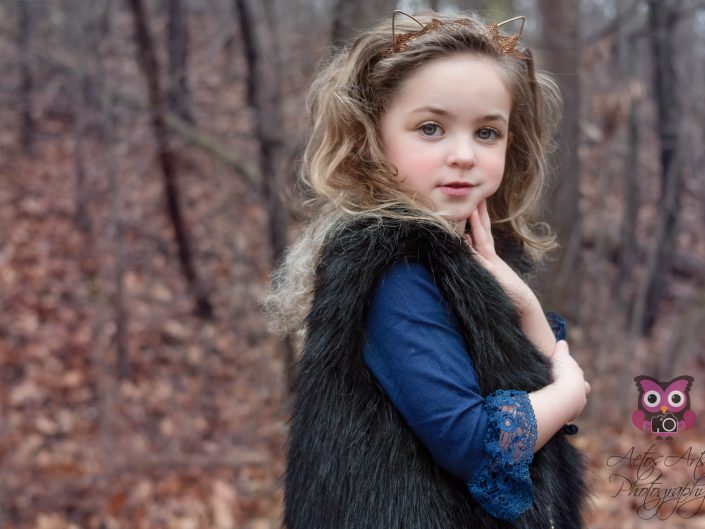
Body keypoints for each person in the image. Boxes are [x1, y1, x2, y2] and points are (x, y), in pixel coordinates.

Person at [265, 10, 590, 529]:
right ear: (373, 136)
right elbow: (475, 445)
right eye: (431, 128)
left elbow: (529, 380)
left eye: (487, 133)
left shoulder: (471, 253)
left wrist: (524, 305)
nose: (463, 155)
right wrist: (568, 398)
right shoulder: (392, 266)